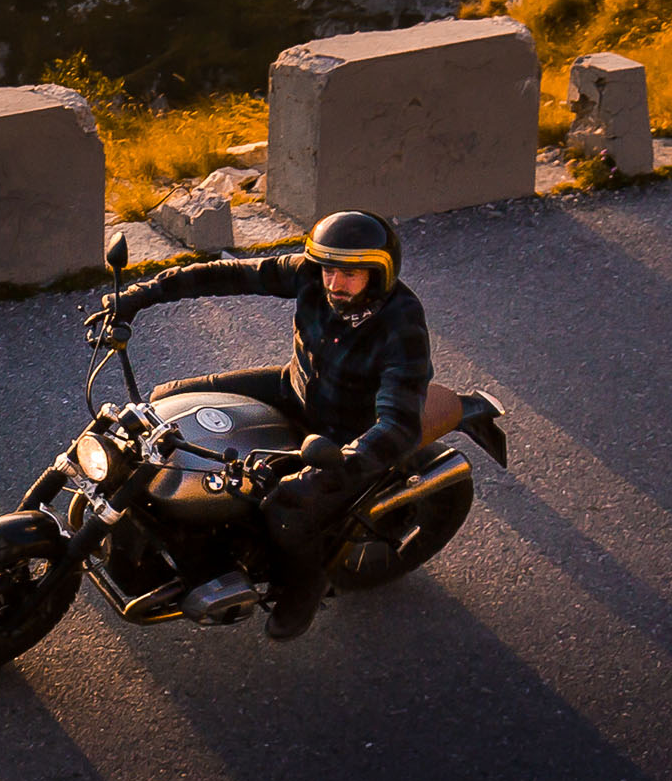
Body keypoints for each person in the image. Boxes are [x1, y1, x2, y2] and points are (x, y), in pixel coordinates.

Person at [83, 209, 456, 641]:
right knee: (167, 401)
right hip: (294, 388)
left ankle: (305, 587)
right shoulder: (310, 276)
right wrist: (138, 296)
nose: (335, 284)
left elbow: (398, 424)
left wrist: (330, 471)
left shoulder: (401, 326)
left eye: (351, 274)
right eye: (329, 269)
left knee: (285, 506)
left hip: (346, 433)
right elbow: (227, 274)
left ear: (380, 273)